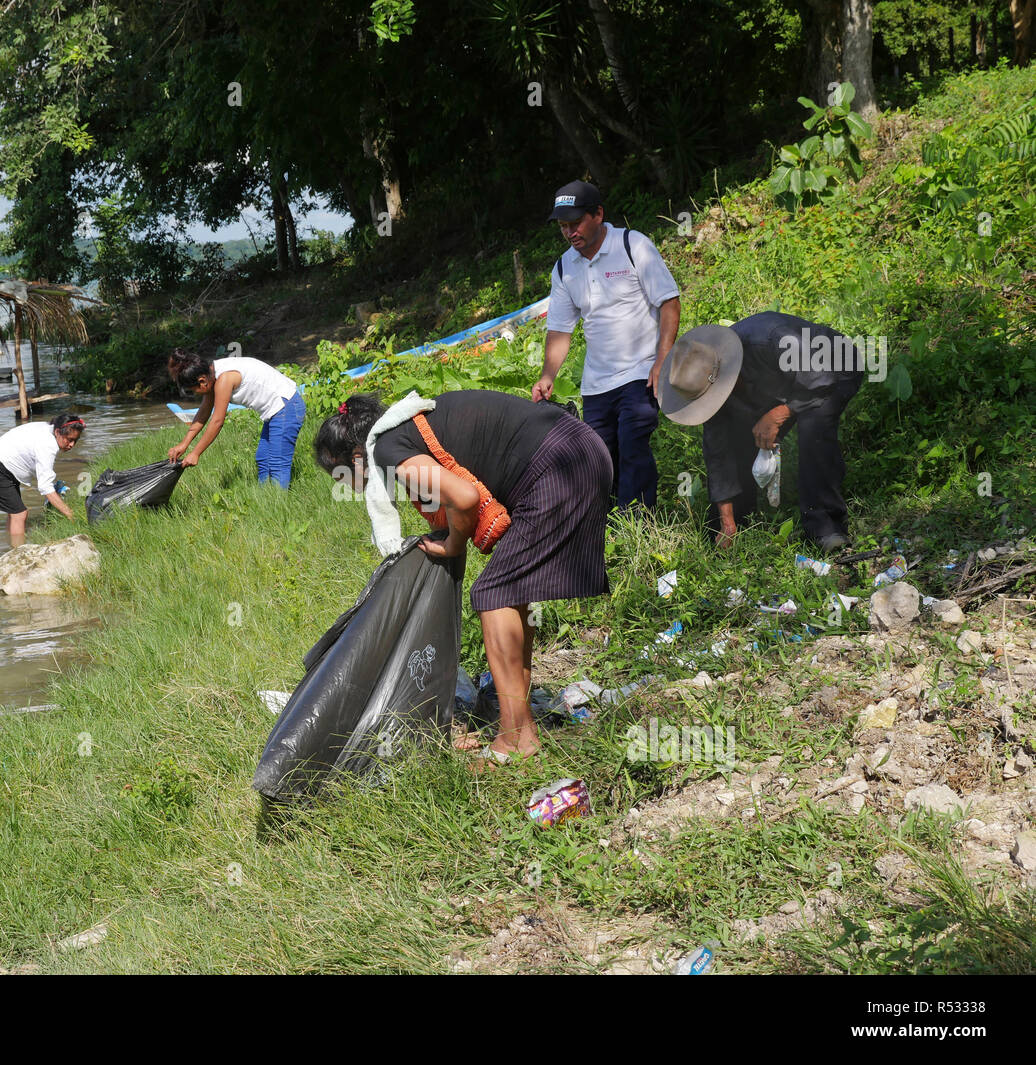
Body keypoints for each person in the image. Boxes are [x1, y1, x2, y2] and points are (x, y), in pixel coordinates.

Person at [314, 389, 611, 764]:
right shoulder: (406, 428)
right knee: (510, 590)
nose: (344, 484)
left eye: (340, 473)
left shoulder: (388, 449)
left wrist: (455, 543)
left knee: (494, 594)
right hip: (580, 451)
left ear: (357, 457)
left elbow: (464, 496)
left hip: (559, 465)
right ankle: (521, 725)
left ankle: (515, 737)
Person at [657, 312, 865, 551]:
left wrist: (780, 414)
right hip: (781, 388)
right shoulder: (703, 383)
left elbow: (821, 379)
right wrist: (726, 521)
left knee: (814, 427)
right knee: (737, 439)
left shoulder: (769, 340)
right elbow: (719, 455)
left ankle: (827, 528)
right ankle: (736, 527)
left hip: (832, 369)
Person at [533, 179, 681, 511]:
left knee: (633, 444)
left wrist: (662, 360)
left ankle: (638, 524)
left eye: (576, 223)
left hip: (640, 372)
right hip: (596, 383)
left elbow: (669, 302)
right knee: (599, 457)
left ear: (598, 214)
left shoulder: (633, 245)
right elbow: (559, 330)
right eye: (563, 226)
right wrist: (547, 376)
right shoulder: (564, 268)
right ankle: (607, 526)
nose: (570, 232)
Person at [166, 349, 306, 488]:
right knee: (263, 459)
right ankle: (267, 498)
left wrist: (196, 453)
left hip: (286, 406)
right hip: (276, 410)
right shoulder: (211, 374)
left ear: (202, 381)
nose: (195, 394)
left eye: (193, 390)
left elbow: (217, 421)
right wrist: (184, 444)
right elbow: (204, 412)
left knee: (277, 463)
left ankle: (278, 505)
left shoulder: (224, 379)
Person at [0, 413, 84, 546]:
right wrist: (71, 514)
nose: (71, 445)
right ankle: (19, 555)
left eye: (76, 440)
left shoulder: (49, 429)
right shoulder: (48, 445)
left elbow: (44, 476)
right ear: (58, 432)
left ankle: (11, 546)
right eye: (69, 439)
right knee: (20, 514)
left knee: (14, 512)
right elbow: (45, 487)